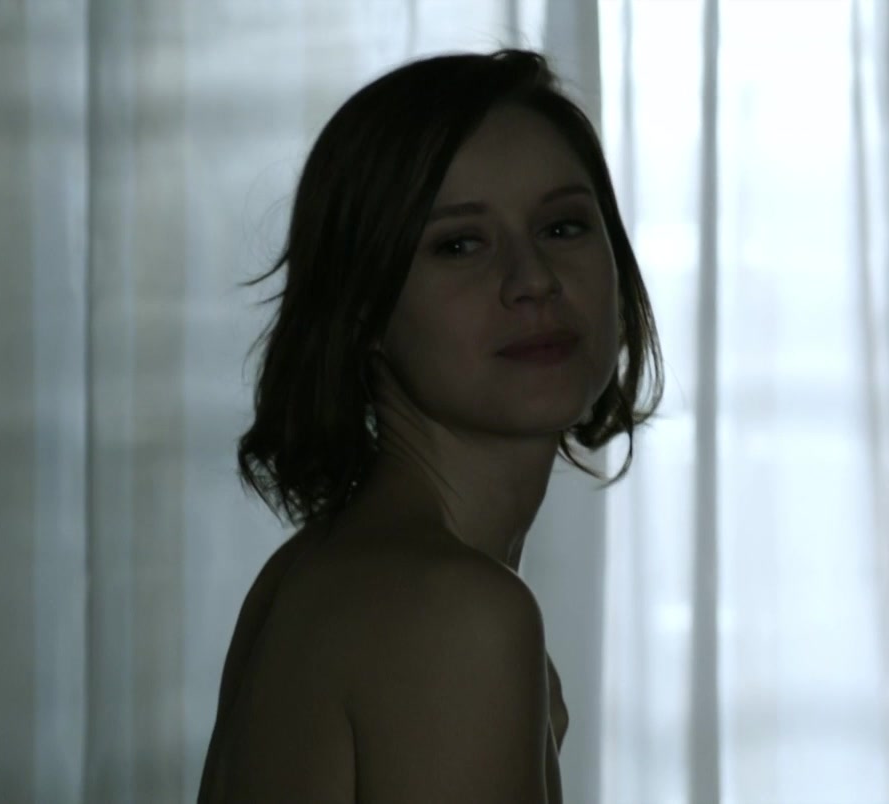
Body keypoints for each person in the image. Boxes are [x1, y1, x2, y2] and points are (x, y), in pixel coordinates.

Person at [201, 47, 664, 803]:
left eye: (563, 227)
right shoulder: (452, 616)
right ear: (361, 309)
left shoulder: (315, 572)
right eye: (459, 244)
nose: (533, 280)